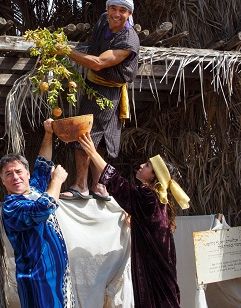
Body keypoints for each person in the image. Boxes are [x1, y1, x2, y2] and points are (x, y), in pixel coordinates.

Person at [77, 130, 190, 307]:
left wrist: (92, 152)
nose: (141, 166)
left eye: (147, 166)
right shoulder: (158, 200)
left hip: (155, 274)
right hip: (158, 271)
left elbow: (119, 184)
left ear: (153, 176)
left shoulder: (149, 196)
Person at [59, 0, 140, 201]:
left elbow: (98, 63)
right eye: (113, 8)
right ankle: (98, 186)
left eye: (122, 11)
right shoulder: (104, 20)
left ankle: (81, 186)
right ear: (107, 8)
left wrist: (66, 50)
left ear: (129, 14)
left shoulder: (128, 38)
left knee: (86, 133)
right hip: (94, 85)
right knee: (99, 137)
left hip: (108, 90)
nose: (116, 14)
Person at [0, 119, 73, 308]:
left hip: (57, 276)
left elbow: (43, 164)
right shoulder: (11, 206)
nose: (15, 177)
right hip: (37, 280)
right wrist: (56, 181)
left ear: (27, 174)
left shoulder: (34, 190)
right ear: (3, 182)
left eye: (18, 172)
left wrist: (48, 133)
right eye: (8, 174)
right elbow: (43, 208)